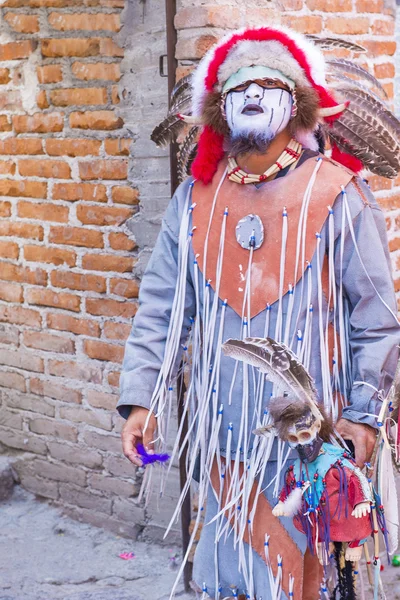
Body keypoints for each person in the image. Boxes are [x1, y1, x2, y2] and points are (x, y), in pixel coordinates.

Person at [118, 26, 400, 599]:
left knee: (308, 580)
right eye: (239, 88)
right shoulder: (196, 202)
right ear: (217, 110)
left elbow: (377, 319)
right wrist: (140, 398)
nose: (253, 96)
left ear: (296, 101)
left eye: (270, 85)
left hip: (315, 442)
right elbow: (161, 305)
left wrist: (362, 417)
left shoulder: (338, 193)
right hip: (224, 435)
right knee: (234, 577)